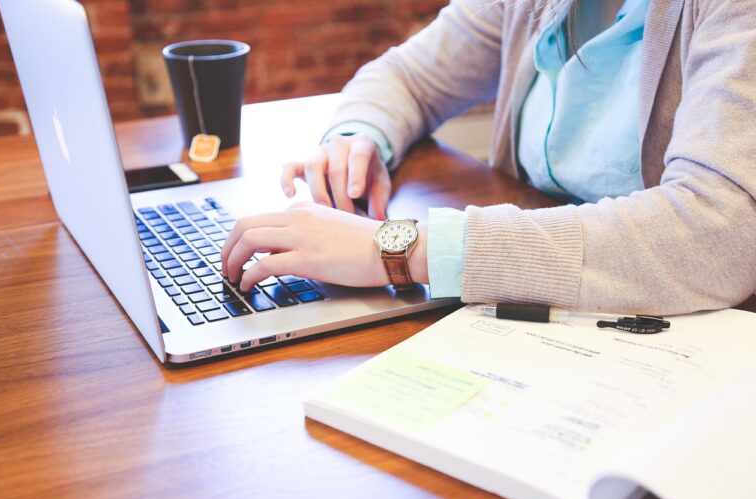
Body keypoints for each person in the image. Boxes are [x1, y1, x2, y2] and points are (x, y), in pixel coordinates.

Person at [222, 0, 756, 315]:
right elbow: (409, 76)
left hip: (681, 337)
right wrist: (358, 137)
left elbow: (721, 230)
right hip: (541, 315)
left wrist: (401, 249)